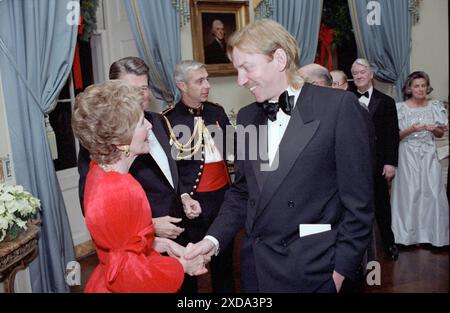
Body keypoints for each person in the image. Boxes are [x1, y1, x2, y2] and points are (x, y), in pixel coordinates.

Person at [185, 19, 374, 293]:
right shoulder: (249, 116)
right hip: (257, 269)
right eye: (237, 70)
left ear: (280, 59)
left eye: (246, 68)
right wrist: (212, 240)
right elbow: (241, 193)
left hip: (315, 269)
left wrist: (338, 274)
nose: (240, 80)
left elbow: (359, 206)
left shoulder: (338, 107)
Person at [71, 81, 207, 292]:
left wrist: (167, 244)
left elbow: (126, 244)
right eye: (141, 122)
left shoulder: (98, 170)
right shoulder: (120, 189)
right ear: (119, 138)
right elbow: (126, 273)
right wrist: (182, 266)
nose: (150, 126)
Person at [78, 57, 201, 243]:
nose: (140, 96)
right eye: (131, 90)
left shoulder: (158, 121)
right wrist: (149, 226)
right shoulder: (103, 138)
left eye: (143, 89)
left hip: (179, 228)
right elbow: (92, 208)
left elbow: (169, 169)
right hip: (139, 242)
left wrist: (184, 196)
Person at [162, 60, 235, 293]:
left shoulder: (217, 111)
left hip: (223, 199)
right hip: (190, 203)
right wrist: (183, 195)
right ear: (182, 85)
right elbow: (169, 169)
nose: (207, 85)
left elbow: (233, 151)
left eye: (207, 79)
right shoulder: (168, 119)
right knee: (189, 263)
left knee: (224, 262)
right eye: (200, 81)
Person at [390, 71, 449, 247]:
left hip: (429, 153)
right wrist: (413, 129)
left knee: (432, 192)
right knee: (409, 193)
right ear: (409, 88)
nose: (421, 89)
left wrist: (433, 129)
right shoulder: (400, 108)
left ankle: (432, 236)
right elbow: (396, 136)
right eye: (417, 86)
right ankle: (406, 237)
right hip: (407, 154)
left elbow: (440, 133)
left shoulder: (435, 106)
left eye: (423, 85)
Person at [351, 58, 400, 261]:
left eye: (362, 72)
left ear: (371, 74)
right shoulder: (346, 99)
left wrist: (391, 162)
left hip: (378, 163)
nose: (359, 76)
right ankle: (356, 249)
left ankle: (389, 243)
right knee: (353, 208)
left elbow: (392, 135)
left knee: (382, 206)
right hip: (352, 164)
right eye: (355, 73)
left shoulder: (386, 102)